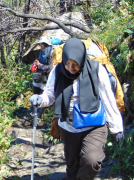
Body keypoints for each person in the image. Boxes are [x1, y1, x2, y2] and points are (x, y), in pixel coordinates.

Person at [29, 38, 124, 180]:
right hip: (68, 126)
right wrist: (40, 100)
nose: (71, 68)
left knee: (91, 161)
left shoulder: (97, 70)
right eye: (67, 63)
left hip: (94, 125)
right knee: (72, 166)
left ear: (82, 58)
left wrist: (116, 127)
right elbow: (50, 94)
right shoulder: (57, 71)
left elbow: (108, 98)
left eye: (75, 64)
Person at [25, 36, 53, 122]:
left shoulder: (51, 54)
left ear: (46, 45)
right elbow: (39, 61)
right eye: (40, 45)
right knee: (35, 96)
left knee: (41, 97)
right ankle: (32, 113)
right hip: (38, 78)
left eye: (42, 45)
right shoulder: (41, 53)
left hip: (45, 79)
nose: (41, 46)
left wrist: (40, 65)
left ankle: (37, 117)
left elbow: (50, 67)